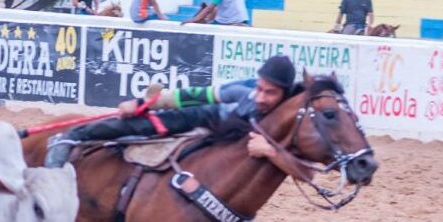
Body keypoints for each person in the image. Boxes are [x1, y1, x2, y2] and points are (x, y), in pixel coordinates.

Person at [44, 56, 306, 173]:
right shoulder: (241, 91)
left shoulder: (292, 114)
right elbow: (193, 95)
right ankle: (71, 137)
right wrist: (144, 102)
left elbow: (306, 173)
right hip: (206, 117)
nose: (260, 97)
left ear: (285, 94)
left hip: (224, 144)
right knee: (142, 125)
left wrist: (270, 151)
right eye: (259, 89)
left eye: (269, 93)